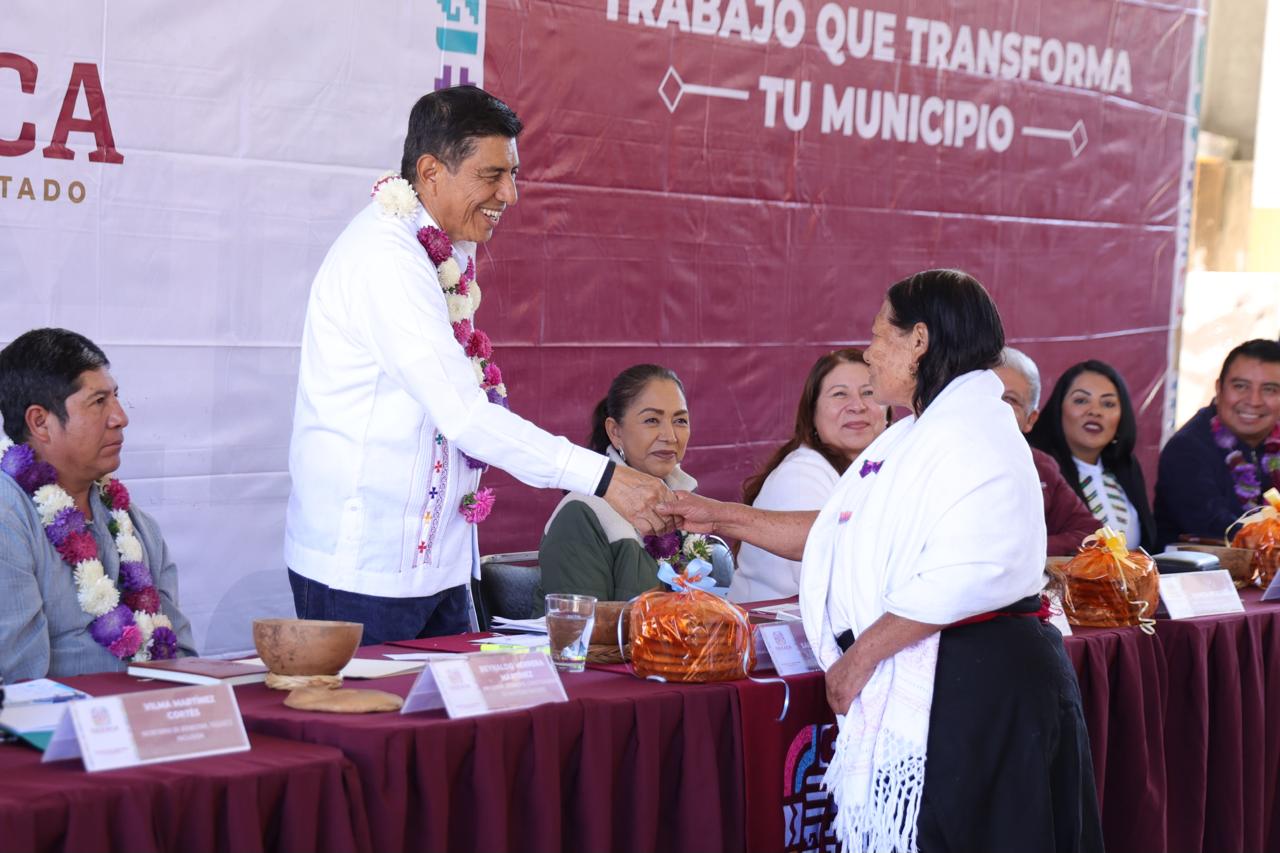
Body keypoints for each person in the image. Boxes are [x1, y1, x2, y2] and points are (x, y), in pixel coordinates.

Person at [660, 270, 1101, 852]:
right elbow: (842, 533)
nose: (869, 355)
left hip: (987, 691)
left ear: (919, 340)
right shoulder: (920, 433)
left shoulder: (974, 434)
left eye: (877, 337)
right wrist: (717, 516)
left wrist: (858, 658)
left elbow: (963, 578)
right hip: (968, 679)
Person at [284, 86, 669, 643]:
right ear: (431, 171)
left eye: (512, 174)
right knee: (381, 729)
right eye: (492, 175)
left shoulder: (442, 251)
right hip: (367, 572)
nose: (510, 194)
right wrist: (605, 477)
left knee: (452, 729)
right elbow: (464, 416)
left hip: (440, 569)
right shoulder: (385, 258)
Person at [0, 329, 196, 681]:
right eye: (98, 401)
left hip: (149, 715)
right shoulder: (8, 519)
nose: (120, 417)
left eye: (116, 397)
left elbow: (179, 653)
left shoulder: (133, 523)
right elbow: (19, 685)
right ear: (40, 422)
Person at [534, 365, 731, 612]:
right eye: (652, 420)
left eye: (680, 420)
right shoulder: (582, 512)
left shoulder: (688, 505)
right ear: (615, 432)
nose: (670, 435)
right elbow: (579, 633)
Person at [730, 348, 890, 601]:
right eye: (839, 394)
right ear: (812, 413)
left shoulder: (885, 467)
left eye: (868, 392)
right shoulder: (801, 475)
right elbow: (828, 581)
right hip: (770, 634)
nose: (857, 406)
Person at [1154, 339, 1280, 548]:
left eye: (1269, 389)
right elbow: (1217, 527)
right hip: (1197, 577)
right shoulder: (1186, 449)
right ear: (1219, 388)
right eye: (1240, 386)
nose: (1254, 400)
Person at [1029, 360, 1156, 551]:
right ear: (1058, 409)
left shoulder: (1126, 467)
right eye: (1081, 400)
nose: (1095, 411)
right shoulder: (1040, 468)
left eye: (1108, 403)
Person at [996, 347, 1100, 556]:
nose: (997, 407)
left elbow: (1091, 535)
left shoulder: (1040, 466)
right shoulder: (941, 457)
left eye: (1010, 400)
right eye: (989, 395)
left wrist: (1028, 549)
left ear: (1030, 420)